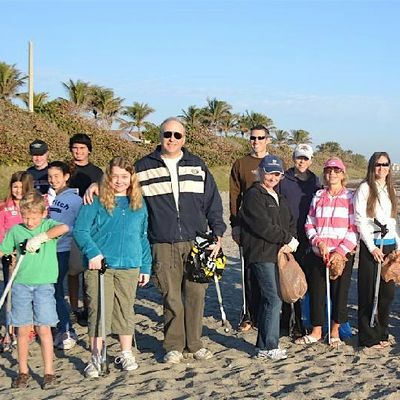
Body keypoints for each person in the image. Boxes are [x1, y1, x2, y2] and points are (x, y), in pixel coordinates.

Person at [84, 117, 226, 364]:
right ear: (160, 136)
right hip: (162, 241)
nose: (172, 139)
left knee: (196, 295)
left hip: (197, 242)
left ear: (184, 139)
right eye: (167, 134)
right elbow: (120, 182)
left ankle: (194, 344)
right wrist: (95, 185)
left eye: (177, 135)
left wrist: (218, 232)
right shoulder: (144, 166)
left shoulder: (198, 166)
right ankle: (173, 345)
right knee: (171, 297)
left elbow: (213, 202)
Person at [74, 156, 151, 377]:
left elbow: (143, 236)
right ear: (108, 176)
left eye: (124, 177)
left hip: (130, 265)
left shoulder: (138, 202)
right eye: (115, 176)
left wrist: (146, 266)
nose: (119, 181)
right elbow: (81, 231)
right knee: (98, 311)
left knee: (125, 310)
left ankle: (126, 353)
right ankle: (96, 356)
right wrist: (93, 252)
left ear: (131, 178)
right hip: (100, 267)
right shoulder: (95, 199)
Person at [0, 192, 69, 389]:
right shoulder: (15, 230)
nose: (29, 221)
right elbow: (4, 249)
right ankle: (23, 372)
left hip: (44, 284)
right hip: (21, 284)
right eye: (25, 217)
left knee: (44, 329)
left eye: (34, 217)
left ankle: (49, 373)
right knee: (22, 330)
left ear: (43, 213)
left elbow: (64, 227)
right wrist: (8, 256)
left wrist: (42, 237)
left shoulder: (47, 225)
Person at [239, 155, 298, 360]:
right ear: (260, 171)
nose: (272, 177)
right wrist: (287, 238)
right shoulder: (253, 195)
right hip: (260, 253)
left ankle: (263, 346)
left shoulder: (279, 198)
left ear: (281, 176)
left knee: (271, 299)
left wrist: (290, 241)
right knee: (272, 298)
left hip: (278, 254)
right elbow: (262, 226)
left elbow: (290, 222)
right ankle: (270, 345)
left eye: (276, 173)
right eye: (269, 172)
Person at [296, 157, 358, 346]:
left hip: (342, 255)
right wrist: (318, 243)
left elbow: (354, 228)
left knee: (340, 293)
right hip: (319, 253)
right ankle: (316, 331)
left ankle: (335, 332)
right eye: (329, 170)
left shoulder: (350, 197)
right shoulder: (318, 195)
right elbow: (309, 223)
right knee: (317, 292)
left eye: (336, 170)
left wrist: (340, 252)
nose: (332, 173)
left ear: (342, 174)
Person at [353, 152, 399, 349]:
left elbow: (392, 220)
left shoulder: (390, 189)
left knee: (387, 293)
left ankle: (382, 332)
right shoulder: (364, 188)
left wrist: (398, 245)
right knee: (369, 290)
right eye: (378, 165)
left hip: (389, 245)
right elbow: (360, 220)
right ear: (372, 167)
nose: (381, 168)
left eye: (385, 164)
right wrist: (371, 248)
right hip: (372, 245)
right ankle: (367, 336)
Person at [229, 125, 272, 332]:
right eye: (253, 138)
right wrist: (235, 225)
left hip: (270, 229)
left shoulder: (273, 163)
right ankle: (247, 314)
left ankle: (266, 315)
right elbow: (234, 196)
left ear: (268, 140)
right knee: (247, 272)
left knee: (267, 273)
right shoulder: (241, 164)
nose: (256, 141)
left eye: (260, 138)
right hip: (246, 227)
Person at [277, 144, 321, 337]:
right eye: (298, 157)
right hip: (288, 236)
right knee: (287, 278)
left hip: (308, 238)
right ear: (293, 158)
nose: (302, 161)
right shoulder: (284, 179)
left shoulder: (315, 181)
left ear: (311, 160)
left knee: (305, 281)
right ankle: (287, 322)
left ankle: (303, 322)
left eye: (305, 158)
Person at [68, 133, 103, 326]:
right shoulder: (67, 171)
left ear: (89, 150)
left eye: (82, 148)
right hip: (69, 225)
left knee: (90, 269)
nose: (79, 151)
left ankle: (90, 309)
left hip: (90, 226)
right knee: (73, 271)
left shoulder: (97, 173)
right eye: (75, 148)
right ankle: (74, 309)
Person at [48, 161, 82, 350]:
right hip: (52, 249)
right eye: (50, 177)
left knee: (56, 290)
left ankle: (68, 329)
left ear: (66, 177)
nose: (53, 180)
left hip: (65, 249)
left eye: (56, 176)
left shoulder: (75, 200)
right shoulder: (52, 197)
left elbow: (78, 225)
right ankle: (62, 326)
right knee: (55, 291)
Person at [0, 172, 34, 348]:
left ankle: (29, 327)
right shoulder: (4, 207)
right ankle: (9, 330)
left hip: (30, 255)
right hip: (10, 256)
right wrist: (7, 250)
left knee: (29, 291)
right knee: (10, 292)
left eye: (22, 186)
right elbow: (1, 230)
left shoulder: (33, 205)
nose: (18, 190)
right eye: (15, 186)